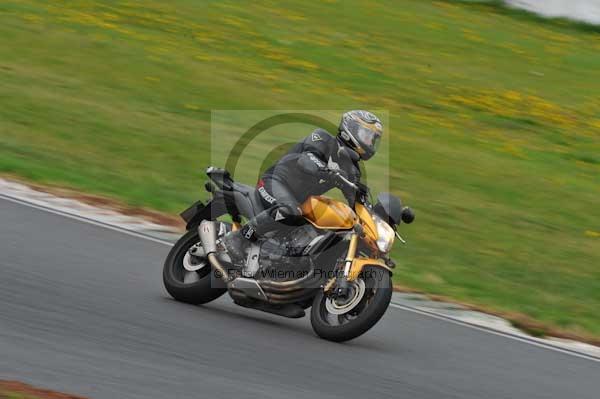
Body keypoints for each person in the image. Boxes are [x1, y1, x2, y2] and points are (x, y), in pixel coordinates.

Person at [224, 110, 383, 262]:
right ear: (351, 130)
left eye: (373, 139)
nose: (370, 143)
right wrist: (329, 172)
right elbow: (306, 160)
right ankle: (239, 237)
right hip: (275, 182)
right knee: (289, 211)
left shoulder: (352, 169)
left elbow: (356, 202)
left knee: (325, 227)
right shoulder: (322, 137)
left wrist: (375, 219)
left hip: (301, 200)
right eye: (368, 136)